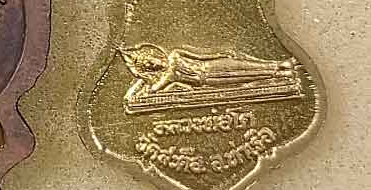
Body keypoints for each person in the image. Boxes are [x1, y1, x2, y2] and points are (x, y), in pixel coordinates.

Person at [119, 43, 297, 109]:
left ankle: (279, 65)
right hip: (209, 81)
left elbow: (200, 56)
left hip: (211, 66)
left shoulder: (174, 55)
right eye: (149, 66)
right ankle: (280, 75)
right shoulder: (168, 77)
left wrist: (219, 55)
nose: (153, 63)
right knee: (246, 77)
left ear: (154, 55)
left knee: (245, 66)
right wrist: (140, 81)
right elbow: (152, 90)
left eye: (150, 60)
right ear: (150, 69)